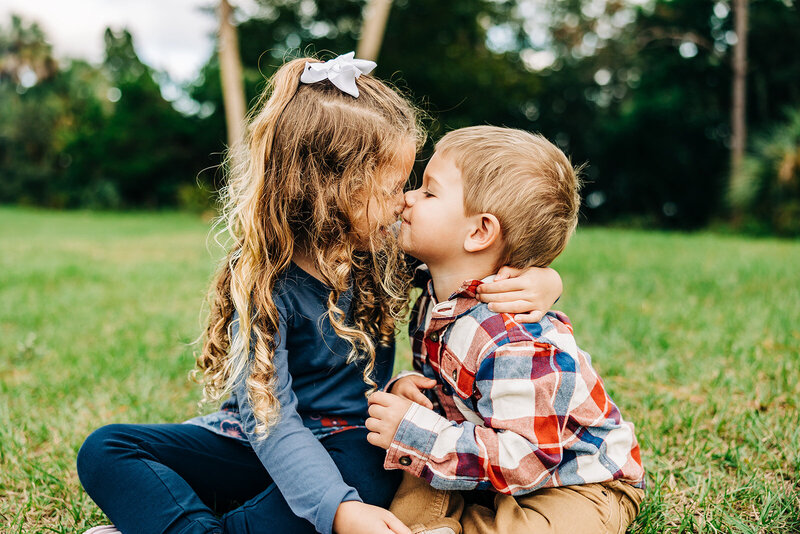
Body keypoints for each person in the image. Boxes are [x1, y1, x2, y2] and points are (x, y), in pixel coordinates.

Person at [76, 56, 563, 534]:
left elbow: (464, 269)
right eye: (393, 187)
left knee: (375, 466)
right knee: (106, 449)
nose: (404, 202)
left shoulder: (382, 252)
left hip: (350, 445)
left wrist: (544, 280)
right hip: (258, 443)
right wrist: (340, 514)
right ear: (334, 191)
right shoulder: (262, 285)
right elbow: (271, 421)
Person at [365, 126, 646, 534]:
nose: (408, 197)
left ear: (479, 232)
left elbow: (528, 460)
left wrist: (416, 431)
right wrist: (413, 390)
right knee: (403, 478)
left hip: (576, 483)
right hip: (485, 453)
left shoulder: (513, 341)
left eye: (428, 192)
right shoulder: (436, 289)